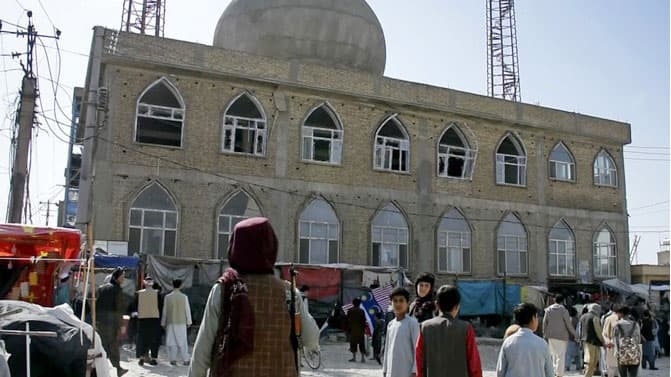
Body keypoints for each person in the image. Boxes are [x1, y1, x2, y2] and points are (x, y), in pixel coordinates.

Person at [188, 217, 304, 377]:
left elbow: (202, 351)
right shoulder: (288, 292)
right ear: (271, 247)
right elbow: (311, 337)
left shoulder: (225, 289)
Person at [416, 285, 482, 377]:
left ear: (437, 305)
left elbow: (419, 363)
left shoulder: (425, 327)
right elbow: (474, 365)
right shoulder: (466, 328)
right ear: (457, 306)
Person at [496, 302, 553, 377]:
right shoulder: (542, 344)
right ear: (533, 318)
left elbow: (500, 372)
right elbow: (549, 373)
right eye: (536, 317)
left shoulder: (508, 342)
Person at [97, 267, 129, 377]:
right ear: (117, 277)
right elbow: (119, 309)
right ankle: (118, 368)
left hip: (100, 322)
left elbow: (96, 305)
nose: (123, 279)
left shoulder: (101, 288)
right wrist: (121, 325)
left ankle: (99, 368)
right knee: (113, 345)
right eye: (122, 277)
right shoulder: (117, 290)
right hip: (111, 323)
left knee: (102, 345)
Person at [382, 287, 420, 377]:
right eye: (395, 301)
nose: (398, 304)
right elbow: (387, 349)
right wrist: (385, 369)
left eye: (401, 300)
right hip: (391, 371)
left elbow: (417, 349)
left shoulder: (412, 323)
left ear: (407, 303)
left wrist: (414, 371)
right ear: (391, 303)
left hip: (407, 371)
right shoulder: (390, 324)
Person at [543, 294, 577, 377]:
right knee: (560, 356)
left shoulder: (548, 310)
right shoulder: (563, 310)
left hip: (550, 336)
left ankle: (554, 372)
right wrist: (575, 334)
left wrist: (544, 334)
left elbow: (544, 323)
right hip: (562, 336)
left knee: (553, 355)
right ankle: (559, 374)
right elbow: (568, 324)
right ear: (563, 301)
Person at [162, 279, 192, 366]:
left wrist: (163, 322)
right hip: (181, 322)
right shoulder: (184, 297)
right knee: (182, 341)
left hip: (171, 322)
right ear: (180, 285)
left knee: (172, 342)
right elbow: (187, 310)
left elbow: (165, 311)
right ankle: (186, 359)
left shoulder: (167, 297)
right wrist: (189, 321)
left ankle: (173, 359)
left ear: (172, 285)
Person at [136, 276, 161, 366]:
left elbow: (135, 306)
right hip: (154, 319)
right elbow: (160, 307)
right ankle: (153, 358)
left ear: (144, 283)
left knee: (142, 339)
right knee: (154, 339)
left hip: (142, 319)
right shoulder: (157, 294)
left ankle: (141, 357)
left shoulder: (139, 293)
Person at [612, 306, 642, 377]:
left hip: (621, 353)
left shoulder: (617, 325)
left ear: (621, 314)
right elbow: (638, 339)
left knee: (623, 375)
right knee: (633, 375)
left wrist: (616, 352)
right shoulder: (635, 324)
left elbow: (615, 339)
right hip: (634, 352)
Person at [579, 303, 605, 377]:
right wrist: (603, 341)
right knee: (592, 361)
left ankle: (588, 374)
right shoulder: (595, 317)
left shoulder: (582, 317)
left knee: (590, 360)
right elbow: (598, 331)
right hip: (593, 342)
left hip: (585, 340)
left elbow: (580, 329)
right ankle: (587, 375)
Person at [346, 297, 367, 362]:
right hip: (360, 330)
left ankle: (354, 358)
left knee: (353, 344)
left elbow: (348, 320)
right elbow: (364, 321)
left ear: (353, 303)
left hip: (353, 330)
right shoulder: (361, 311)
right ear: (359, 304)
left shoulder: (350, 311)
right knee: (362, 344)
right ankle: (362, 358)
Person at [602, 305, 620, 377]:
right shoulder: (628, 319)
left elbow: (604, 333)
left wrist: (607, 341)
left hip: (612, 345)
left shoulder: (608, 318)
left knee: (612, 368)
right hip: (619, 346)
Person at [565, 306, 581, 372]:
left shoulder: (568, 319)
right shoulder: (577, 319)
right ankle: (578, 366)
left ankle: (567, 366)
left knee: (568, 354)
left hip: (569, 338)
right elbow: (578, 330)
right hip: (575, 338)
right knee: (577, 355)